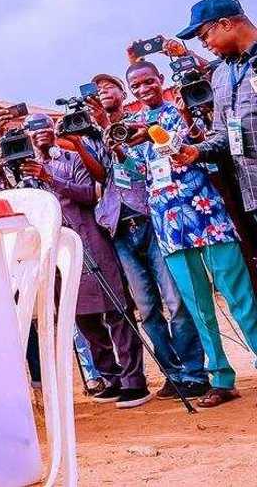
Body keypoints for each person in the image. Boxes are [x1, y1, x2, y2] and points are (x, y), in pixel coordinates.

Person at [124, 58, 257, 407]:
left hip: (206, 215)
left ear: (160, 79)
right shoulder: (132, 128)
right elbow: (137, 175)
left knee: (239, 297)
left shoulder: (183, 110)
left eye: (148, 81)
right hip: (169, 224)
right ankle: (221, 378)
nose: (143, 89)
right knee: (199, 307)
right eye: (136, 86)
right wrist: (120, 150)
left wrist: (153, 131)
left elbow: (193, 149)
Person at [18, 113, 150, 408]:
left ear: (53, 129)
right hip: (56, 250)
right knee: (82, 316)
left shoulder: (72, 158)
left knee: (116, 310)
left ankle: (134, 381)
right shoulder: (23, 172)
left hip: (91, 239)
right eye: (32, 129)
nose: (40, 132)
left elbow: (90, 194)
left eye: (45, 126)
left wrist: (49, 178)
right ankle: (111, 378)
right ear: (26, 136)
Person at [92, 72, 208, 399]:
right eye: (98, 91)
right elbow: (118, 173)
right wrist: (110, 144)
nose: (103, 94)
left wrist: (123, 137)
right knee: (146, 308)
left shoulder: (142, 120)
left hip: (152, 218)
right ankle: (173, 375)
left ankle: (193, 372)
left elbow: (148, 170)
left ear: (122, 93)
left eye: (109, 88)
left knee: (175, 301)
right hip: (118, 227)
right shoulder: (92, 132)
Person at [177, 0, 257, 254]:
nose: (204, 44)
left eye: (204, 36)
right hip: (252, 191)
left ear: (225, 23)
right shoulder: (220, 75)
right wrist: (197, 150)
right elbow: (224, 133)